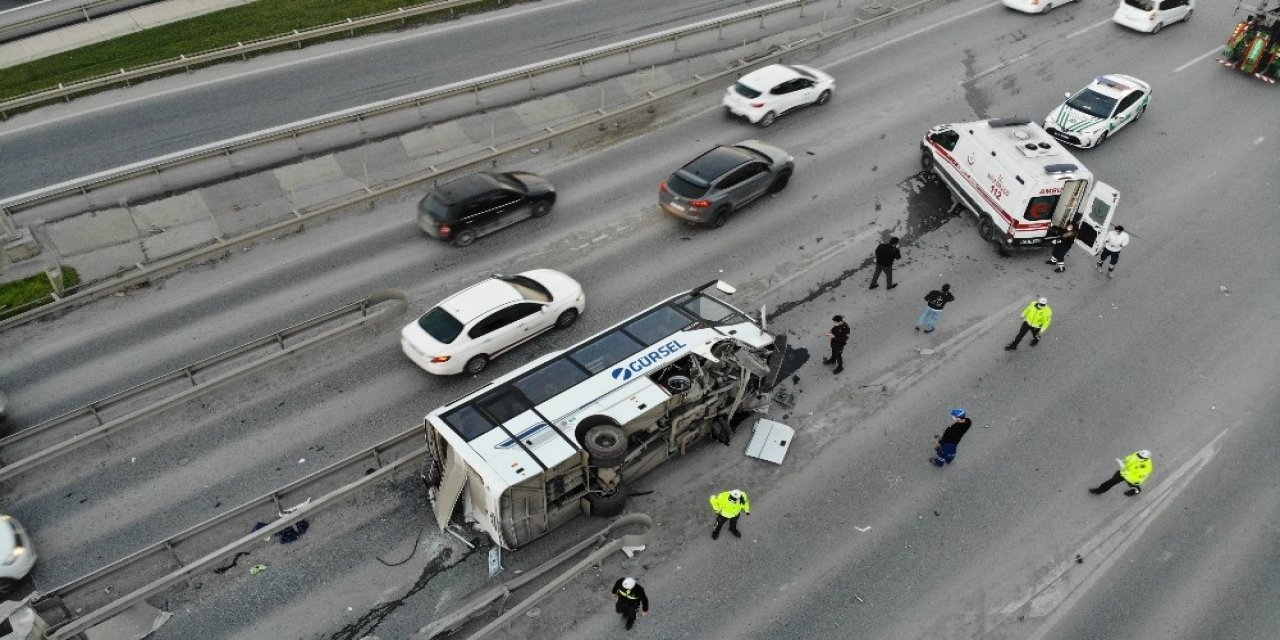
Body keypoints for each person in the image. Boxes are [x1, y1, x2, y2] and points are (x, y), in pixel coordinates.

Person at [1089, 450, 1153, 496]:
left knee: (1132, 485)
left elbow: (1137, 478)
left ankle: (1137, 491)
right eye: (1138, 455)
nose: (1138, 456)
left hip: (1132, 479)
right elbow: (1131, 457)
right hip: (1123, 471)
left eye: (1140, 457)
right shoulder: (1138, 454)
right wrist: (1124, 461)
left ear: (1145, 459)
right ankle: (1099, 490)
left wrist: (1125, 471)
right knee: (1111, 482)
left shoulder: (1146, 468)